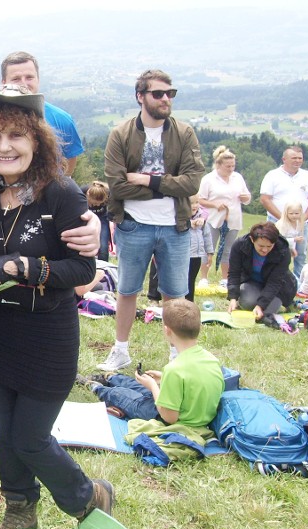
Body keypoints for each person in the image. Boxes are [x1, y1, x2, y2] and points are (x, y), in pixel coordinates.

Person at [0, 85, 112, 529]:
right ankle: (20, 507)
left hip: (47, 336)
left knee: (29, 437)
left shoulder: (61, 193)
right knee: (5, 434)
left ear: (36, 140)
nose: (4, 146)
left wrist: (24, 267)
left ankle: (89, 496)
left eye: (15, 136)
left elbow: (82, 269)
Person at [100, 69, 205, 371]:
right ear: (140, 97)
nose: (165, 99)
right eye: (158, 93)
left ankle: (177, 356)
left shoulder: (184, 133)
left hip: (176, 226)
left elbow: (192, 183)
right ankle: (120, 350)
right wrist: (166, 187)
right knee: (127, 291)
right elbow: (118, 187)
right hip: (133, 225)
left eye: (170, 93)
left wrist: (148, 181)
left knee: (176, 295)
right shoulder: (120, 134)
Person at [78, 299, 224, 427]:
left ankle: (96, 387)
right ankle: (111, 378)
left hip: (173, 419)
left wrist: (154, 386)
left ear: (167, 331)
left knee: (121, 395)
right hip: (195, 411)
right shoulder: (211, 359)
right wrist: (163, 377)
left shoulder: (174, 369)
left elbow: (169, 417)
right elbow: (193, 381)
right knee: (139, 385)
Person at [0, 51, 84, 175]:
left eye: (29, 77)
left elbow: (70, 161)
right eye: (16, 79)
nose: (24, 84)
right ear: (4, 83)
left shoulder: (62, 120)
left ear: (38, 79)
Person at [260, 146, 308, 279]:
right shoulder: (272, 175)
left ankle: (299, 282)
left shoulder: (307, 176)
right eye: (294, 158)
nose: (297, 161)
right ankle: (272, 278)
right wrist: (284, 219)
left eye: (300, 158)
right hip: (277, 222)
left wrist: (304, 218)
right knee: (274, 250)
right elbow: (265, 199)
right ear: (284, 159)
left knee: (301, 254)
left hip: (301, 223)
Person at [196, 145, 251, 288]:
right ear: (218, 165)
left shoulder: (238, 177)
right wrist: (214, 204)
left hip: (233, 219)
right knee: (209, 247)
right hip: (213, 219)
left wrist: (245, 197)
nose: (231, 169)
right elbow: (200, 199)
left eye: (233, 165)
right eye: (228, 166)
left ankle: (225, 279)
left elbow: (247, 197)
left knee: (229, 249)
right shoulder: (208, 179)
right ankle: (203, 278)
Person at [227, 222, 296, 320]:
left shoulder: (283, 251)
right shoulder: (239, 245)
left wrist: (260, 306)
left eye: (269, 246)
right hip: (252, 282)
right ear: (252, 239)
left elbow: (275, 282)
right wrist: (233, 298)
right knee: (247, 303)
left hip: (278, 288)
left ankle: (285, 303)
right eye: (261, 246)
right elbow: (234, 273)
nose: (264, 250)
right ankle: (253, 300)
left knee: (265, 313)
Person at [187, 198, 213, 301]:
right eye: (191, 203)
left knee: (191, 280)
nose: (194, 205)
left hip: (197, 255)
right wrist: (189, 224)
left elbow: (207, 236)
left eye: (196, 202)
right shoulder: (179, 218)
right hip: (184, 255)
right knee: (183, 280)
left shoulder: (202, 219)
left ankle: (189, 302)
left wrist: (209, 252)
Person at [83, 180, 111, 261]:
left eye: (100, 203)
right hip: (86, 218)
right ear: (88, 195)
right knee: (85, 245)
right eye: (95, 203)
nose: (98, 205)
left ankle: (104, 268)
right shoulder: (81, 191)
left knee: (103, 246)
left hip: (102, 219)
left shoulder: (108, 193)